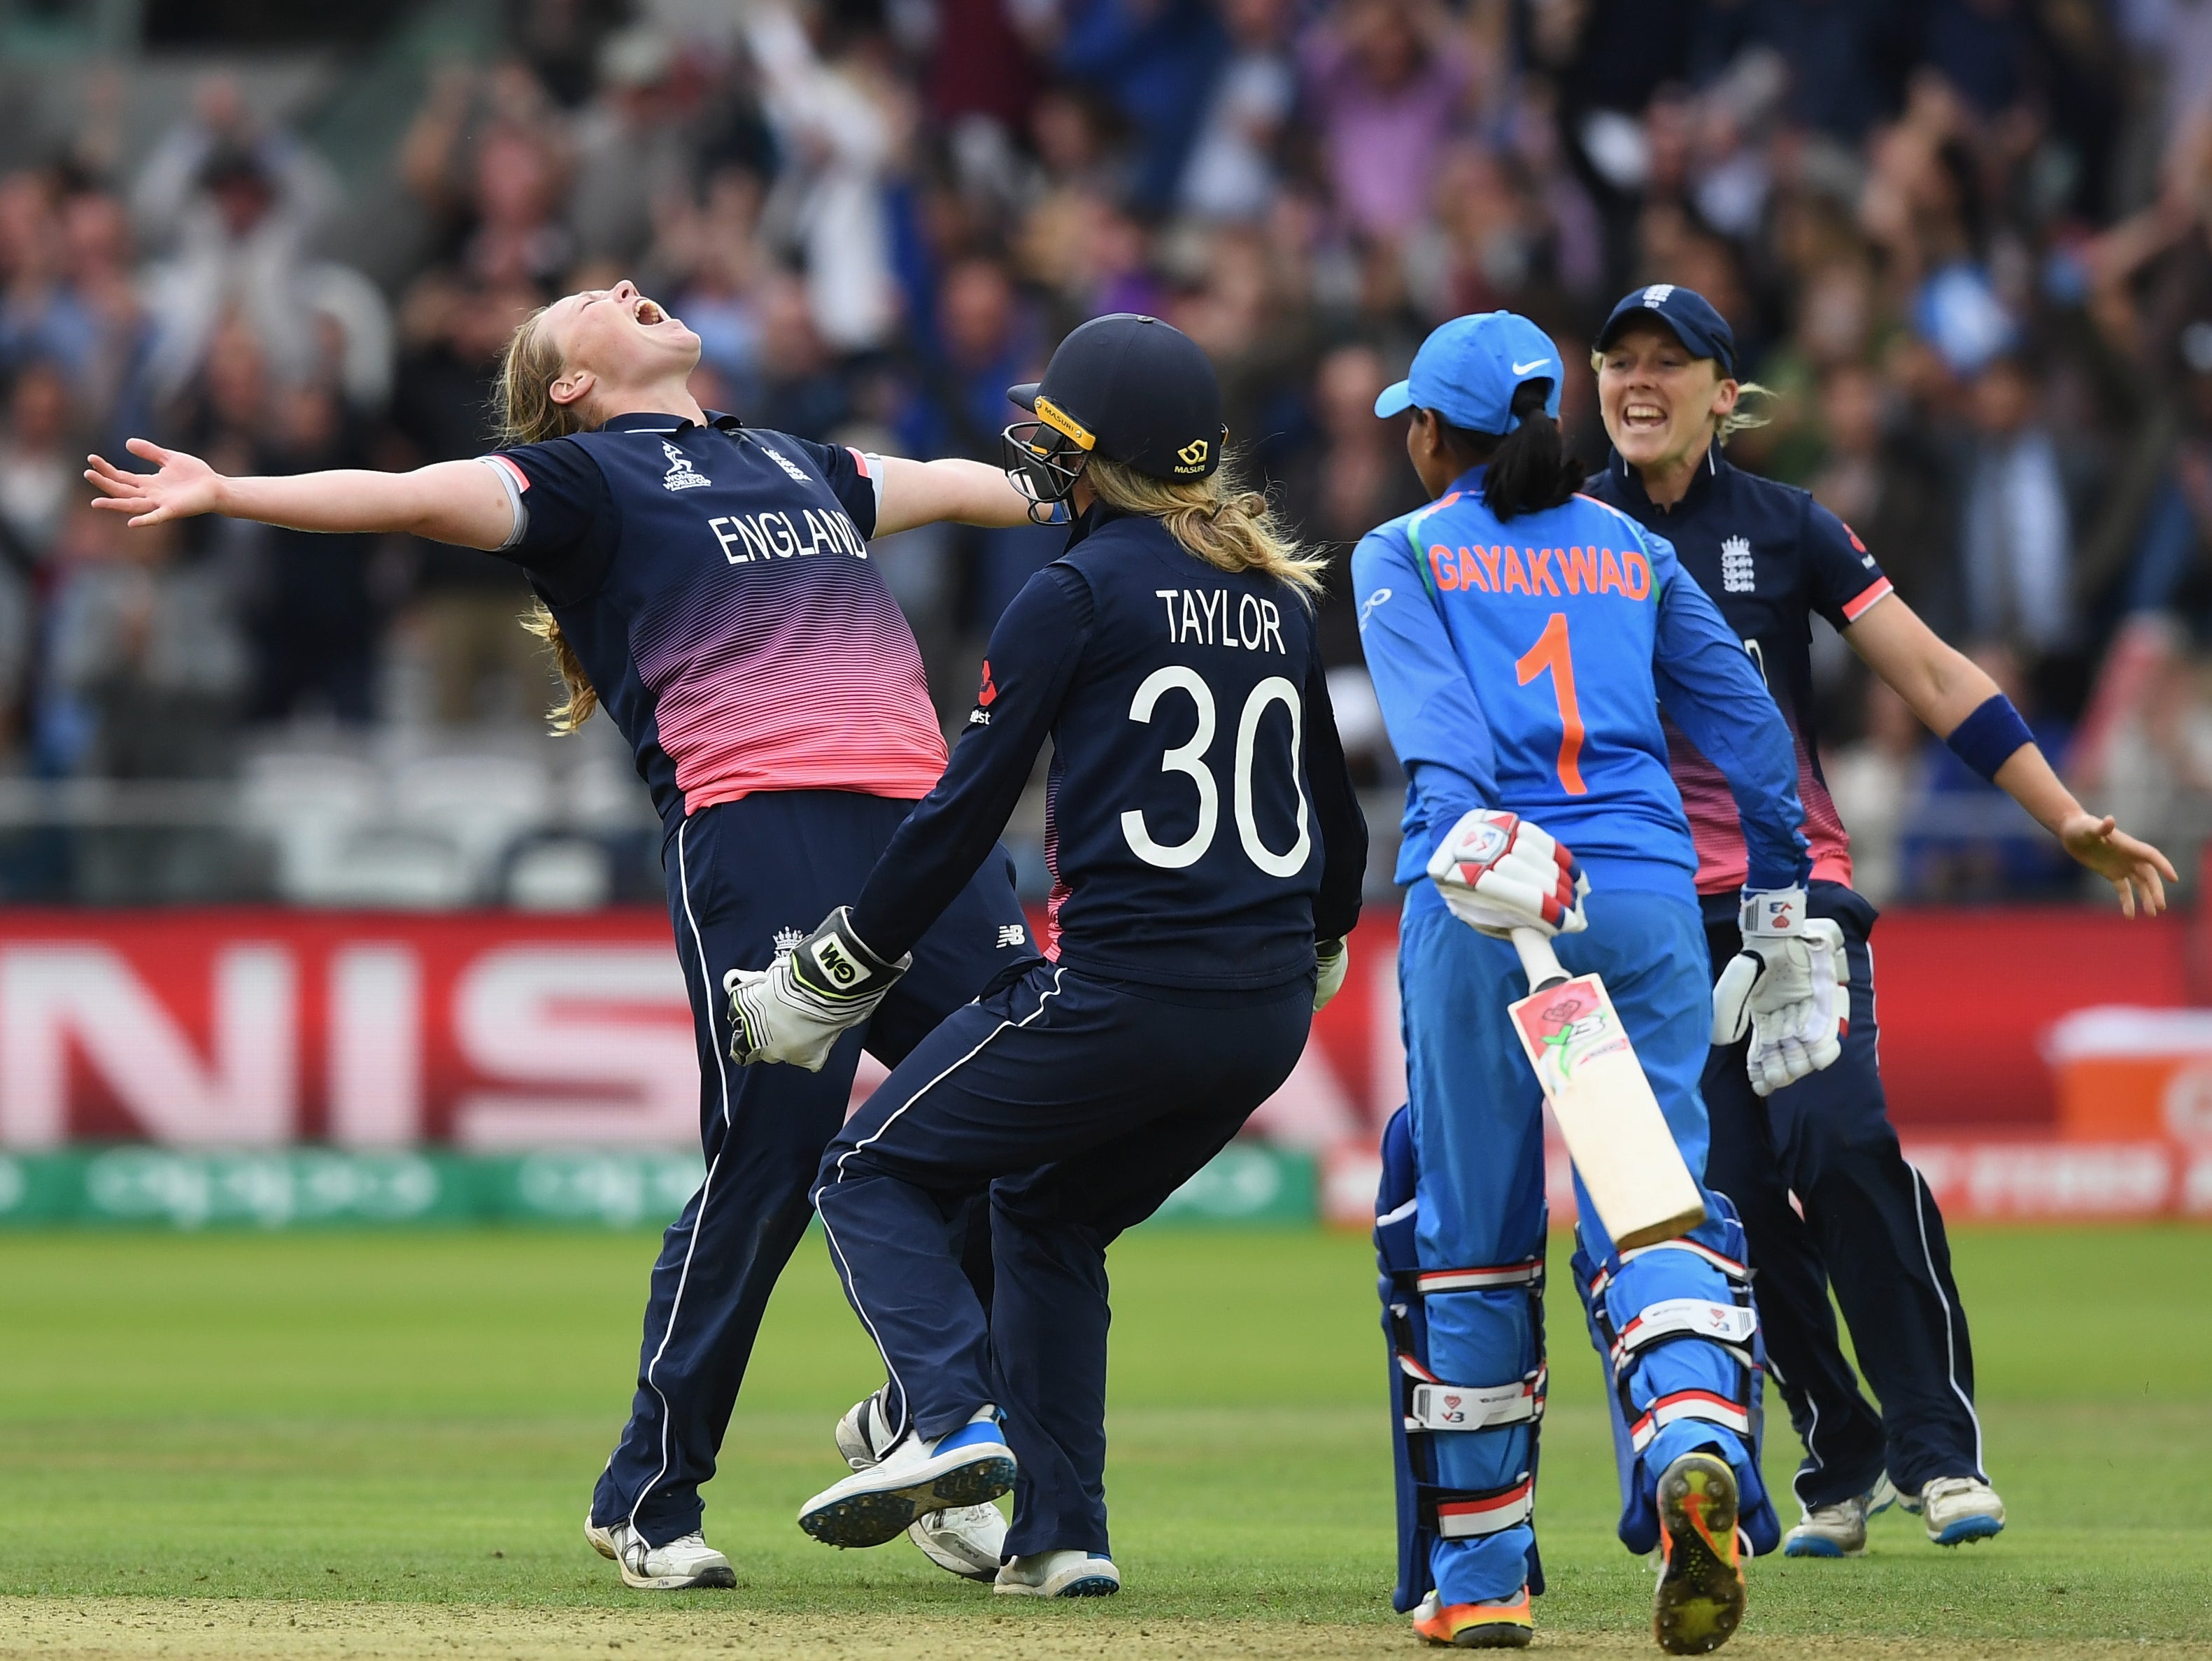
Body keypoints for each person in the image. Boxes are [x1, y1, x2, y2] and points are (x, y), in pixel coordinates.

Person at [83, 278, 1054, 1592]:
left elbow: (954, 481)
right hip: (758, 828)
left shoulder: (788, 455)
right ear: (569, 387)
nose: (624, 287)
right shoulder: (578, 482)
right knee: (770, 1159)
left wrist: (1096, 485)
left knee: (1026, 1110)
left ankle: (919, 1415)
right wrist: (229, 490)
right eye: (582, 304)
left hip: (923, 830)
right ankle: (647, 1496)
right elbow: (410, 492)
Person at [723, 313, 1368, 1599]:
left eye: (1057, 437)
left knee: (863, 1172)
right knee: (1047, 1211)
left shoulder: (1068, 592)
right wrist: (1326, 936)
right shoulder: (1278, 599)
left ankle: (951, 1416)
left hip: (1123, 991)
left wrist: (839, 961)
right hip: (1262, 1018)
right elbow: (1338, 823)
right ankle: (1061, 1533)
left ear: (1097, 455)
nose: (1040, 453)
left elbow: (959, 812)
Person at [1581, 283, 2176, 1557]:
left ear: (1723, 396)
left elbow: (1934, 672)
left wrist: (2063, 816)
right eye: (1616, 361)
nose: (1637, 382)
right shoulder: (1564, 534)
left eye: (1665, 365)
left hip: (1792, 901)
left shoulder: (1787, 525)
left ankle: (1935, 1447)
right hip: (1645, 913)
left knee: (1839, 1140)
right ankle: (1836, 1452)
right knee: (1721, 1198)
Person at [1354, 311, 1827, 1653]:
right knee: (1647, 1201)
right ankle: (1688, 1438)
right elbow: (1748, 729)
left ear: (1429, 434)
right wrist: (1781, 895)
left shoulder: (1405, 552)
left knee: (1470, 1231)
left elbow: (1439, 750)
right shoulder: (1628, 547)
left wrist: (1479, 856)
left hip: (1485, 903)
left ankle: (1487, 1571)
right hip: (1636, 902)